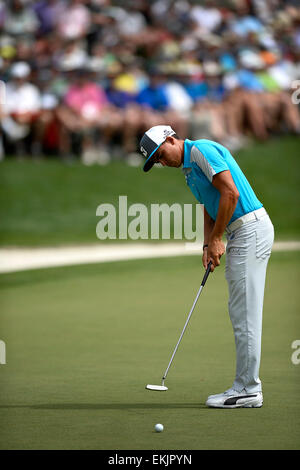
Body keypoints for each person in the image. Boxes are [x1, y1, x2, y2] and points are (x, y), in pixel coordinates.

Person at [139, 125, 274, 409]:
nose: (162, 162)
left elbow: (230, 194)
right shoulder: (188, 172)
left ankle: (248, 389)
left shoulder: (201, 149)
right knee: (240, 313)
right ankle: (246, 386)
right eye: (156, 162)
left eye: (160, 154)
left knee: (245, 314)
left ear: (170, 139)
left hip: (249, 229)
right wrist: (206, 245)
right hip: (240, 233)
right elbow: (209, 205)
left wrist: (216, 239)